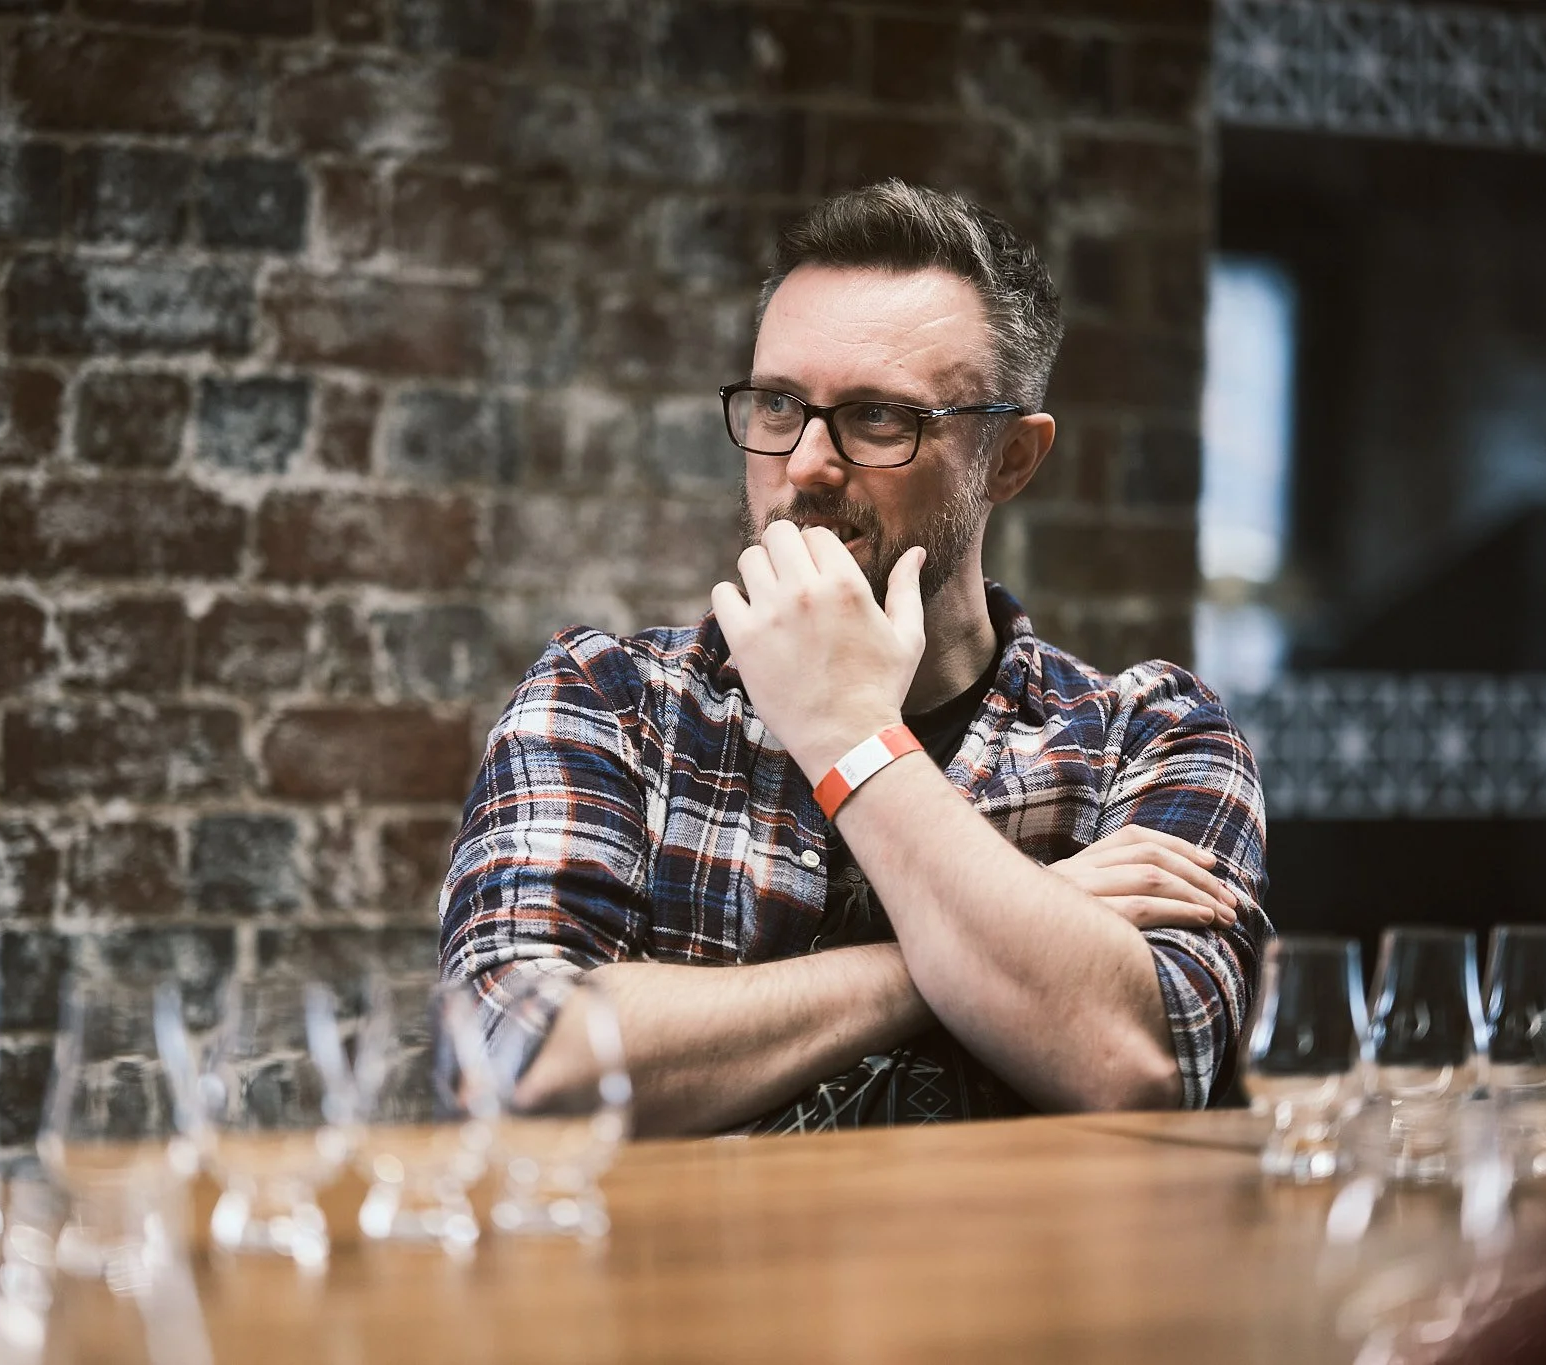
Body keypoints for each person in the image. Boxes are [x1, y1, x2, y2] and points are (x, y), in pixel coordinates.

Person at [440, 180, 1270, 1136]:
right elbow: (518, 1066)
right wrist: (1013, 929)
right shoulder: (610, 700)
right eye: (779, 405)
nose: (805, 465)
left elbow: (1135, 1063)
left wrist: (851, 734)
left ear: (1011, 458)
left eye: (880, 417)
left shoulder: (1148, 736)